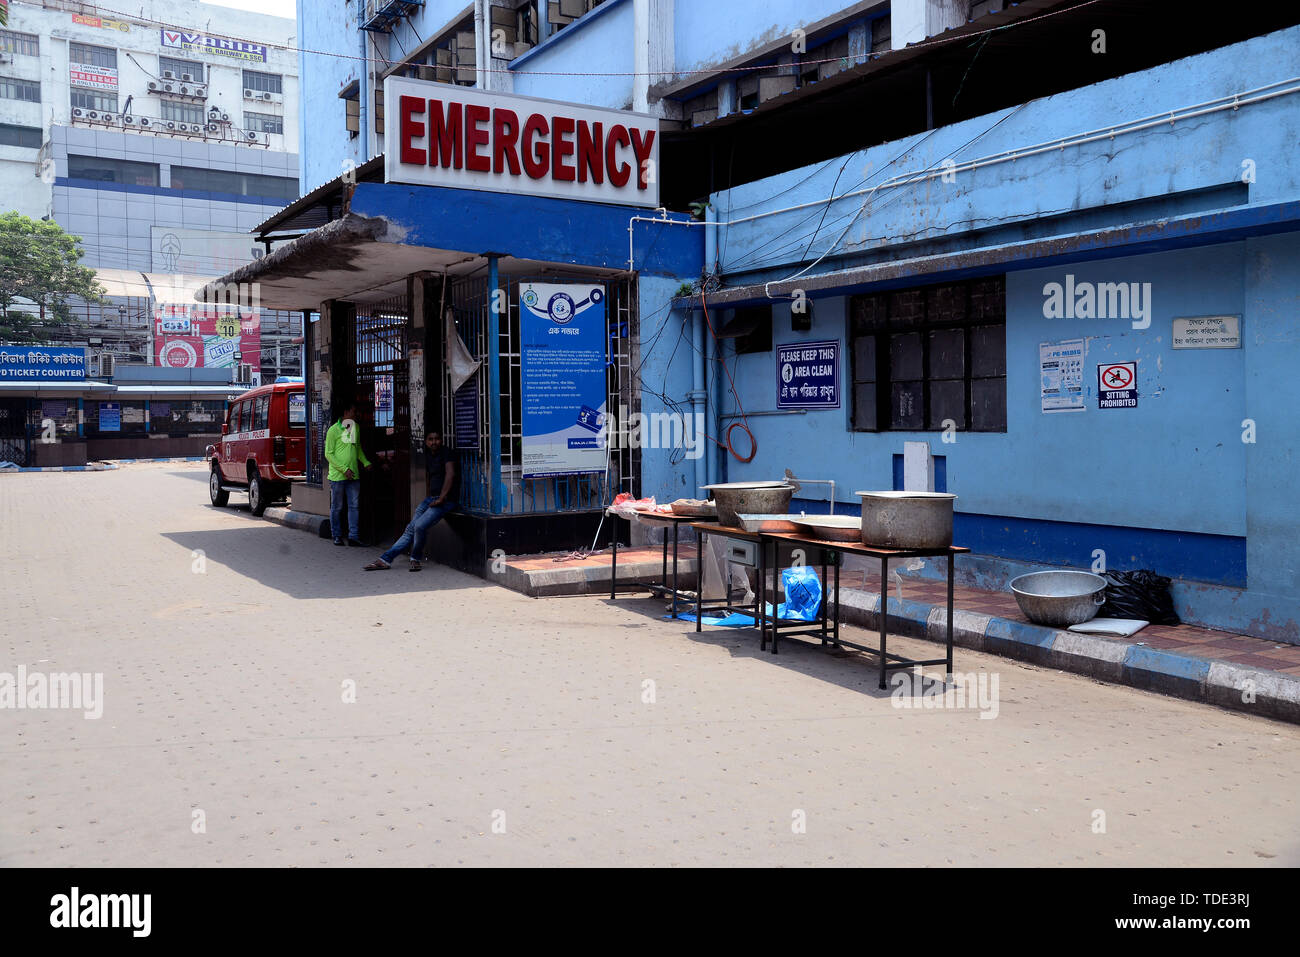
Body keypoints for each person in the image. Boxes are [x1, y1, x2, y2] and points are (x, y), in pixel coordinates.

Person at [364, 431, 458, 571]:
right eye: (430, 439)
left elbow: (450, 474)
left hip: (445, 500)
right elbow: (429, 477)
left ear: (441, 440)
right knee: (410, 529)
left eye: (437, 439)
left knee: (419, 526)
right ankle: (385, 560)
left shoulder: (447, 453)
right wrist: (429, 497)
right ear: (426, 441)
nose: (434, 442)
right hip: (431, 499)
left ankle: (415, 558)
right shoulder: (428, 455)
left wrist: (441, 498)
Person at [325, 401, 372, 546]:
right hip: (338, 476)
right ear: (346, 412)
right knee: (337, 507)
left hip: (354, 475)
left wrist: (365, 462)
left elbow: (356, 449)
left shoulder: (354, 427)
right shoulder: (333, 430)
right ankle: (337, 535)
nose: (355, 414)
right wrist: (344, 469)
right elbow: (329, 454)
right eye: (353, 411)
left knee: (354, 506)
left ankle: (353, 536)